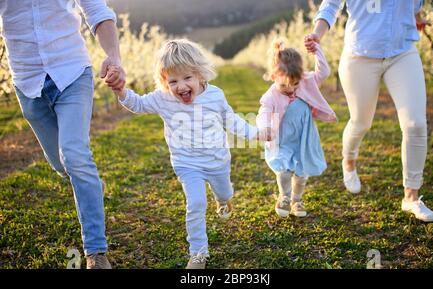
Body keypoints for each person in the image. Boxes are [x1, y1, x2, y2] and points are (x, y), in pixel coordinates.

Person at [110, 39, 270, 269]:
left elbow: (232, 121)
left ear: (200, 75)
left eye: (187, 78)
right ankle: (198, 254)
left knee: (224, 192)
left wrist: (255, 133)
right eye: (173, 81)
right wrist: (121, 91)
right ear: (164, 81)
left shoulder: (215, 96)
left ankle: (223, 199)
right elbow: (138, 104)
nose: (181, 86)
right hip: (186, 164)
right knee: (195, 204)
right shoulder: (163, 98)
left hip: (217, 161)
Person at [0, 0, 126, 268]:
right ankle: (89, 183)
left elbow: (97, 12)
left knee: (74, 155)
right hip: (27, 80)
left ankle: (95, 253)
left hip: (72, 71)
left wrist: (114, 56)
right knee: (62, 165)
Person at [304, 0, 433, 222]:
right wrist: (317, 34)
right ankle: (349, 160)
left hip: (402, 52)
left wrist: (417, 18)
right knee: (360, 122)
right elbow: (330, 6)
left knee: (415, 124)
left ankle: (411, 196)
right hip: (359, 56)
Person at [256, 39, 337, 218]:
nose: (290, 89)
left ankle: (296, 199)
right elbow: (264, 112)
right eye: (283, 85)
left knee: (301, 173)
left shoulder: (307, 81)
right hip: (282, 139)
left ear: (301, 76)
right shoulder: (271, 96)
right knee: (284, 170)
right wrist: (265, 127)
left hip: (303, 139)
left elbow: (324, 72)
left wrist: (317, 51)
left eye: (295, 84)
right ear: (273, 77)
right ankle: (284, 196)